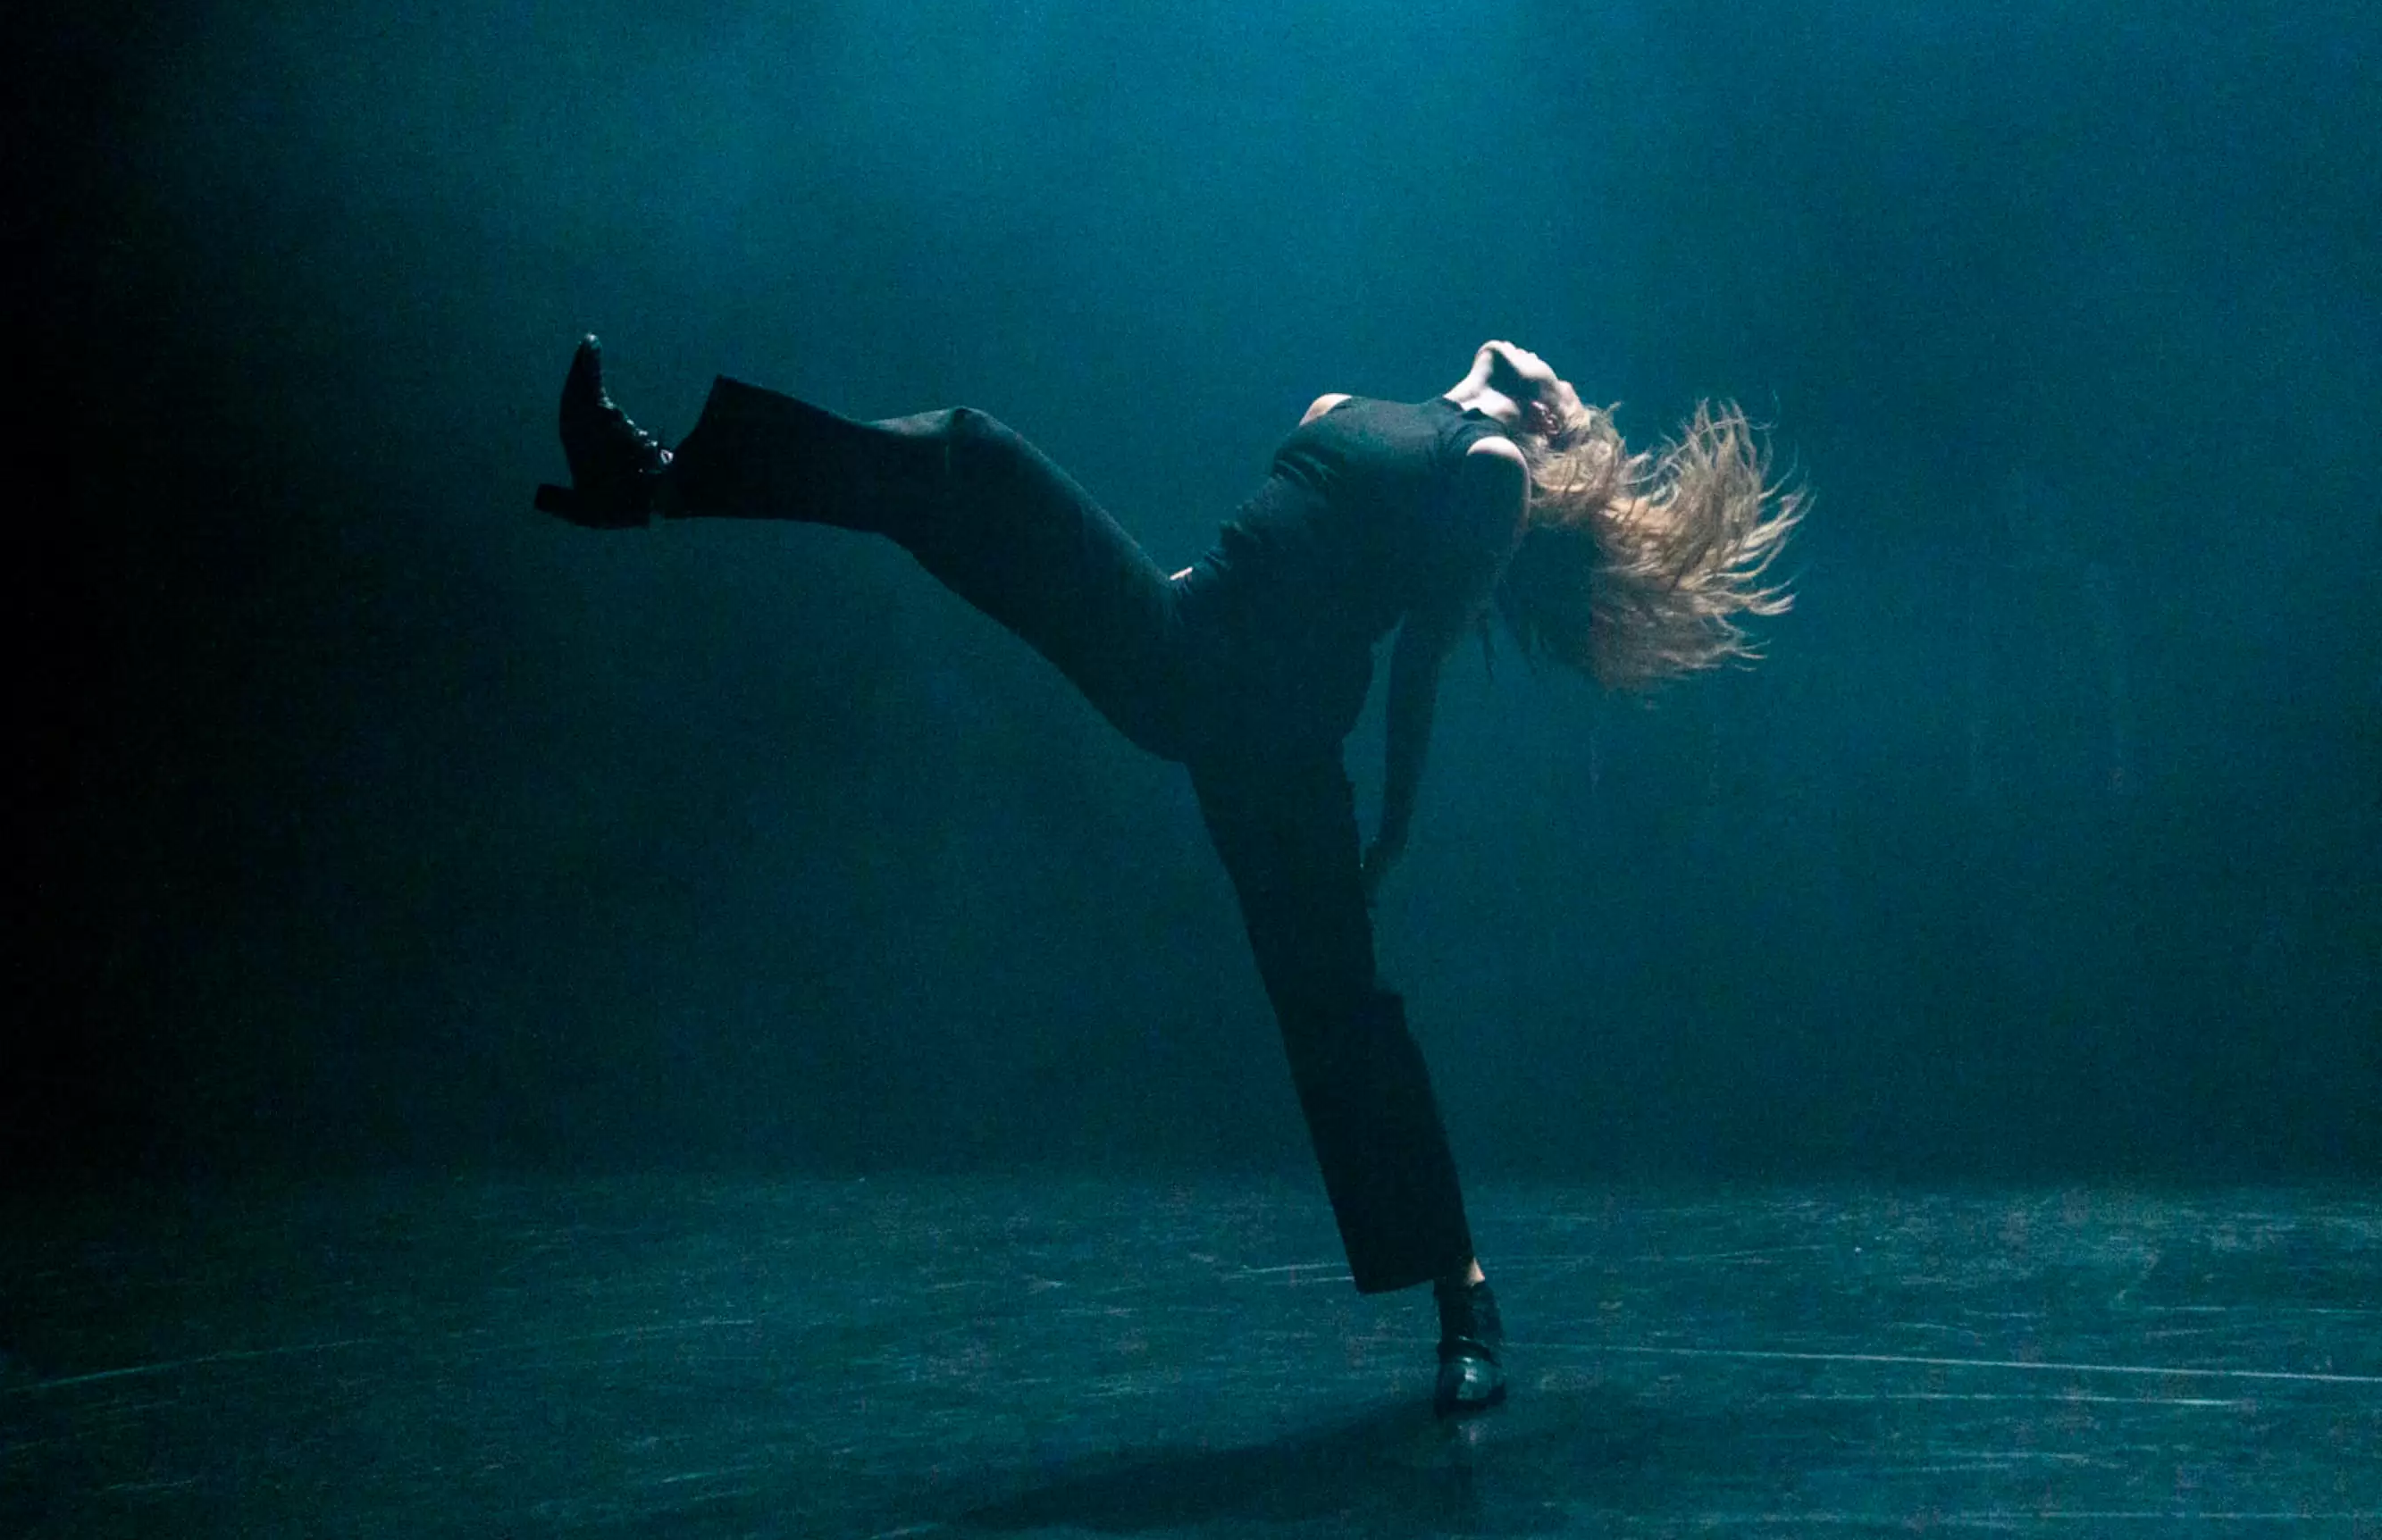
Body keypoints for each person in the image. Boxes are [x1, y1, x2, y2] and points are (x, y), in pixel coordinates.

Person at [536, 334, 1805, 1416]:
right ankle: (651, 483)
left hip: (1269, 733)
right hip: (1189, 654)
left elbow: (1417, 667)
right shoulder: (1344, 408)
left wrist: (1396, 831)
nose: (1527, 348)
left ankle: (1463, 1298)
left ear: (1550, 416)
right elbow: (1274, 563)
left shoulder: (1491, 475)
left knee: (1340, 1012)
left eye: (1549, 373)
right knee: (958, 463)